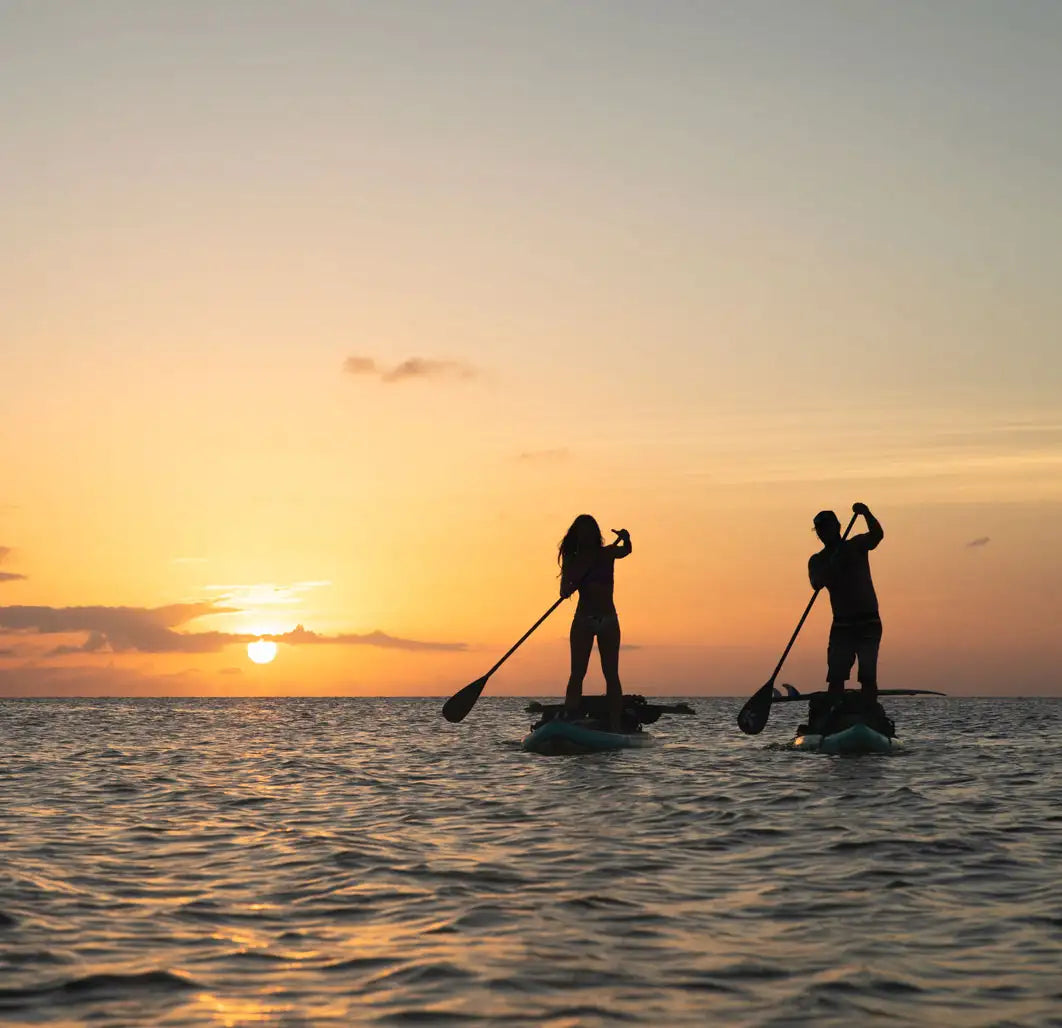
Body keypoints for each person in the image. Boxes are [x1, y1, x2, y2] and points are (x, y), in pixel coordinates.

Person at [558, 515, 632, 731]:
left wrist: (626, 538)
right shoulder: (573, 560)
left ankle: (615, 724)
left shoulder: (607, 553)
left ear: (595, 533)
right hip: (583, 620)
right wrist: (571, 583)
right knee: (577, 673)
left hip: (608, 619)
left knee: (611, 673)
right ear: (577, 535)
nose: (586, 535)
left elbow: (626, 551)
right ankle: (570, 719)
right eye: (582, 531)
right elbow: (564, 591)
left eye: (589, 531)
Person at [808, 502, 884, 712]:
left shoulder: (856, 545)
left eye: (829, 527)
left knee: (868, 676)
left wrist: (867, 513)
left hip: (869, 621)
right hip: (842, 625)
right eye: (821, 530)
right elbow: (816, 583)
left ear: (838, 526)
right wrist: (831, 565)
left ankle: (869, 713)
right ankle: (835, 714)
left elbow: (877, 535)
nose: (825, 533)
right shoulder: (817, 560)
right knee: (836, 677)